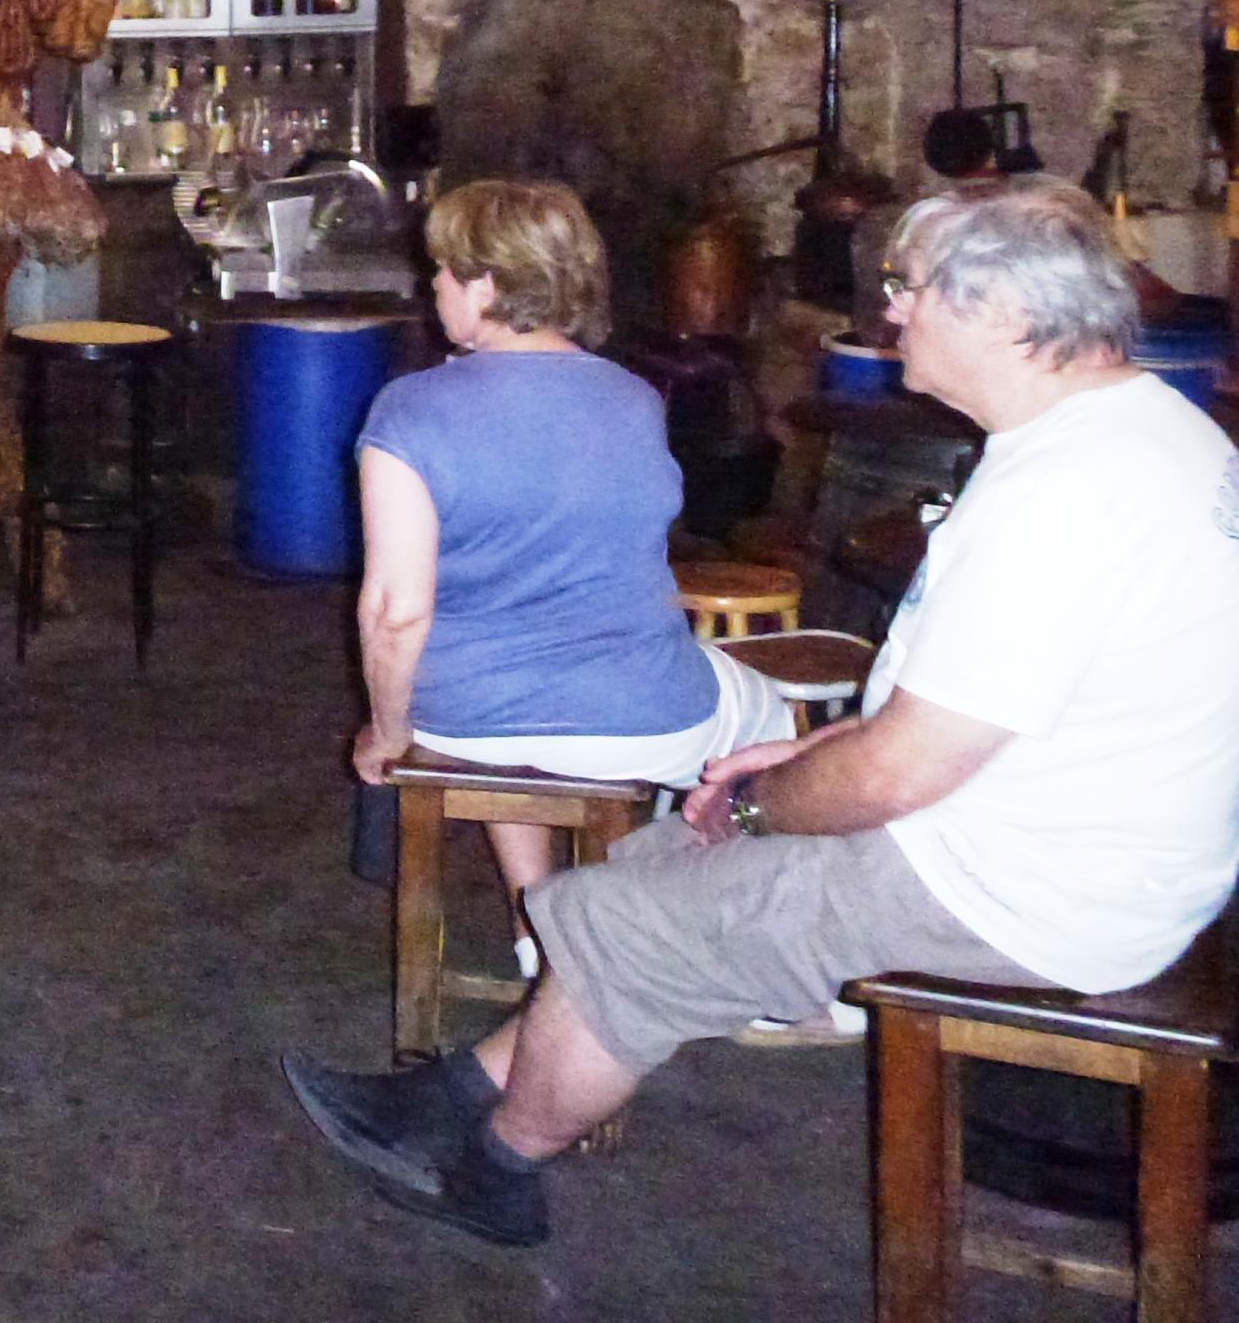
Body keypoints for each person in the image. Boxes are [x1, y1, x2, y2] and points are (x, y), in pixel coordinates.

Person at [285, 177, 1239, 1250]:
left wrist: (758, 806)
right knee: (648, 863)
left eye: (912, 288)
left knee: (626, 920)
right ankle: (453, 1091)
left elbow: (900, 774)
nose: (891, 311)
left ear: (1005, 315)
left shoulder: (1063, 498)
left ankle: (498, 1168)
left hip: (1027, 890)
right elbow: (977, 714)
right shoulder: (1142, 433)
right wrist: (807, 751)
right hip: (1082, 841)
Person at [349, 181, 789, 968]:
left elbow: (395, 612)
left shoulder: (408, 410)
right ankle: (729, 939)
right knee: (776, 724)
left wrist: (388, 735)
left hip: (467, 715)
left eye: (443, 270)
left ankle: (543, 930)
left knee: (512, 730)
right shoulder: (633, 398)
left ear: (486, 286)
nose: (434, 284)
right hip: (638, 716)